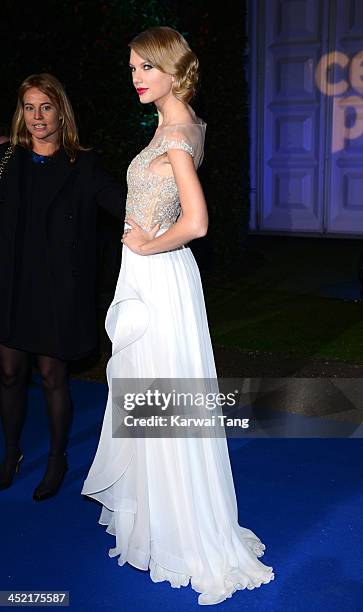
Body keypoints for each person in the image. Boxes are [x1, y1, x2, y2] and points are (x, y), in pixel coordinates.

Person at [81, 27, 274, 605]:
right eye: (133, 67)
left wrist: (146, 244)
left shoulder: (176, 136)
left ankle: (179, 530)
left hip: (158, 276)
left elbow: (197, 222)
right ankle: (159, 516)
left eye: (145, 67)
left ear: (170, 69)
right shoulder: (178, 124)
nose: (135, 77)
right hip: (157, 277)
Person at [0, 74, 125, 501]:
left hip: (54, 291)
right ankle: (12, 452)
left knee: (53, 376)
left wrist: (167, 193)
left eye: (46, 107)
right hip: (11, 285)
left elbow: (122, 203)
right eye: (30, 108)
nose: (37, 117)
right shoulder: (6, 159)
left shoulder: (82, 164)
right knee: (10, 373)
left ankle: (57, 458)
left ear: (60, 111)